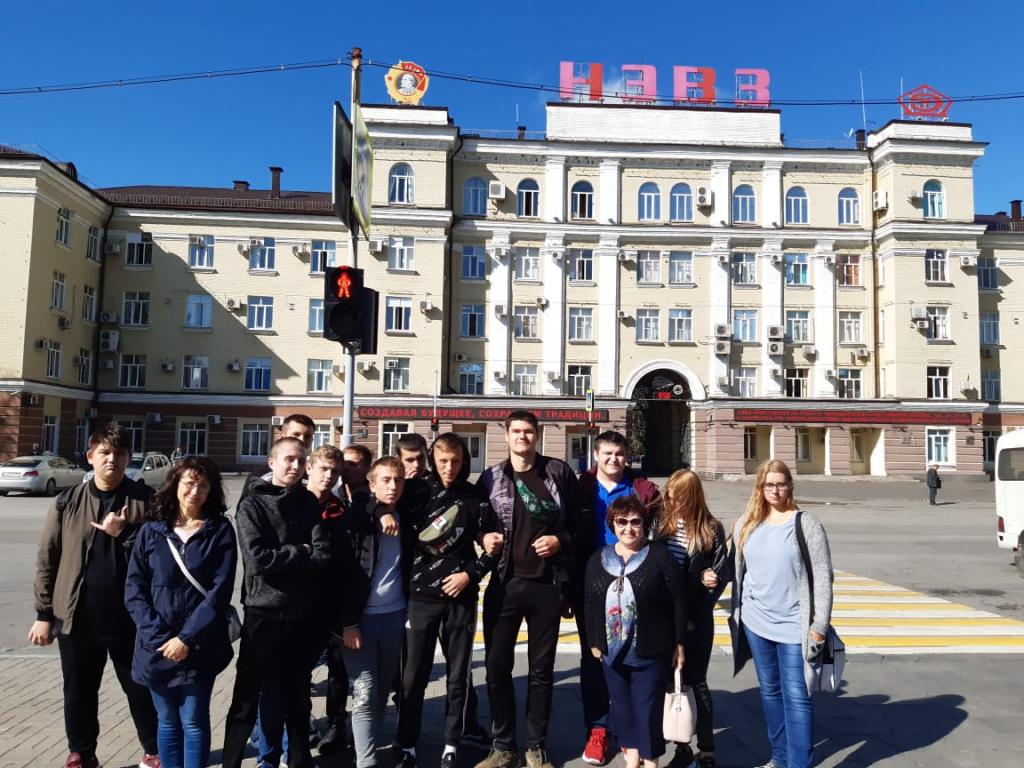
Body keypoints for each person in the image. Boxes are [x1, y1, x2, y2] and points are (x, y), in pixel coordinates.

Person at [29, 423, 160, 768]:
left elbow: (162, 554)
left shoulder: (147, 501)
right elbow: (48, 557)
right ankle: (82, 754)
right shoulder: (67, 501)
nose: (111, 459)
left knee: (141, 688)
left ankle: (154, 750)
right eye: (104, 453)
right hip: (76, 618)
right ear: (90, 456)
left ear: (129, 458)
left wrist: (126, 531)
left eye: (119, 453)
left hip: (130, 619)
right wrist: (44, 614)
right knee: (78, 692)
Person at [475, 410, 584, 768]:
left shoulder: (557, 473)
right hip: (504, 584)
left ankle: (536, 746)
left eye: (528, 431)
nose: (522, 437)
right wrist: (483, 537)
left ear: (537, 436)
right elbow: (478, 522)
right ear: (506, 435)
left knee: (541, 671)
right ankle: (503, 747)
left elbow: (580, 526)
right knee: (496, 669)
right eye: (516, 431)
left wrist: (559, 540)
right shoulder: (491, 478)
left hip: (546, 586)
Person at [221, 437, 331, 768]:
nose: (295, 466)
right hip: (263, 614)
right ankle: (233, 761)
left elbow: (322, 556)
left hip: (300, 614)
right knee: (247, 697)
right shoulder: (252, 504)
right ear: (272, 463)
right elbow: (257, 560)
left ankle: (299, 760)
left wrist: (285, 557)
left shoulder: (309, 503)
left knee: (297, 698)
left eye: (301, 461)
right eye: (288, 459)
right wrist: (300, 552)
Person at [396, 433, 502, 768]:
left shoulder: (474, 496)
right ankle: (406, 743)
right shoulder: (414, 492)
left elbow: (493, 548)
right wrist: (382, 511)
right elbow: (380, 504)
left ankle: (451, 742)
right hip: (420, 596)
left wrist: (469, 575)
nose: (449, 467)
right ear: (433, 459)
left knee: (458, 676)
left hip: (461, 597)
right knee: (413, 676)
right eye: (442, 460)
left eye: (455, 461)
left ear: (464, 461)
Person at [124, 457, 237, 768]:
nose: (195, 491)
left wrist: (186, 639)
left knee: (194, 721)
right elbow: (134, 590)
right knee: (167, 721)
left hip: (200, 644)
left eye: (203, 485)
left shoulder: (220, 531)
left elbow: (219, 592)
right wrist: (160, 637)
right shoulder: (151, 531)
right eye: (189, 483)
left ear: (211, 490)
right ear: (175, 485)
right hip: (156, 646)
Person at [728, 460, 834, 768]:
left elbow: (823, 577)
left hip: (794, 626)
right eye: (769, 485)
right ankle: (780, 757)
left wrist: (819, 624)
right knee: (770, 692)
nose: (775, 490)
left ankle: (799, 763)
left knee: (797, 696)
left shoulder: (805, 523)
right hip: (755, 622)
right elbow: (733, 567)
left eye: (780, 484)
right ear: (760, 487)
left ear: (790, 486)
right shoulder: (746, 523)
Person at [575, 431, 661, 765]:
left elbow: (664, 533)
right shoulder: (581, 488)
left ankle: (631, 732)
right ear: (596, 455)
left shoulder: (642, 491)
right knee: (594, 657)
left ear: (627, 457)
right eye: (607, 453)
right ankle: (598, 729)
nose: (613, 459)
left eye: (619, 454)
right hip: (594, 586)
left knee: (635, 659)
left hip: (637, 588)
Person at [584, 496, 686, 768]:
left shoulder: (659, 556)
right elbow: (590, 603)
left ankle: (650, 761)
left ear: (644, 524)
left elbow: (678, 601)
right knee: (621, 706)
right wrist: (594, 640)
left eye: (635, 522)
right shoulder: (599, 558)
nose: (628, 528)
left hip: (650, 650)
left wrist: (679, 643)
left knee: (647, 708)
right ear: (612, 524)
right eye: (622, 522)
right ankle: (631, 758)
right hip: (611, 651)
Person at [337, 456, 423, 768]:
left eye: (398, 480)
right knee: (364, 691)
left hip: (394, 617)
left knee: (383, 690)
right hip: (360, 621)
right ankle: (366, 761)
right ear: (371, 485)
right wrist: (348, 623)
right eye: (385, 480)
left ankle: (367, 743)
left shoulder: (407, 516)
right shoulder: (357, 518)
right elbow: (343, 574)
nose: (392, 486)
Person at [654, 470, 730, 768]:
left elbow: (722, 572)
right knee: (671, 682)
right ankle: (682, 745)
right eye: (669, 496)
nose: (671, 502)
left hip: (697, 619)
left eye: (678, 498)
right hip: (664, 617)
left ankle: (707, 749)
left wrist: (709, 579)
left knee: (696, 682)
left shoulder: (711, 528)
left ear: (692, 497)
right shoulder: (660, 523)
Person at [308, 445, 356, 757]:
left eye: (335, 471)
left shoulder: (341, 510)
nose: (329, 476)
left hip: (334, 602)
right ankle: (301, 724)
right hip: (303, 602)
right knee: (300, 668)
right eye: (323, 469)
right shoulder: (295, 504)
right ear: (309, 469)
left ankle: (337, 725)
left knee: (339, 669)